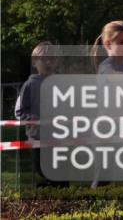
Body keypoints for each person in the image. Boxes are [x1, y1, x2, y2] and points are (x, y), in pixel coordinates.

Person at [15, 42, 67, 187]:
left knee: (62, 173)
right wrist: (36, 121)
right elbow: (20, 111)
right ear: (34, 62)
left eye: (52, 58)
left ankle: (66, 203)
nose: (49, 62)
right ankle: (45, 197)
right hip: (37, 138)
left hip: (58, 136)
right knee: (43, 170)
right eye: (44, 59)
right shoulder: (30, 85)